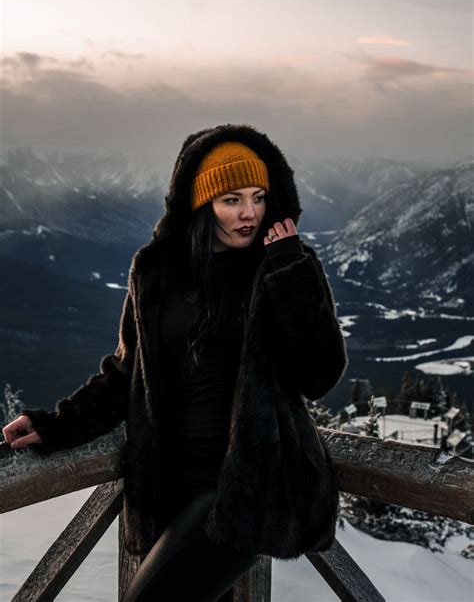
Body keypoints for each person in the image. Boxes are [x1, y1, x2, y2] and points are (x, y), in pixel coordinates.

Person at [3, 124, 348, 601]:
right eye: (231, 200)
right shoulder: (156, 272)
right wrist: (58, 425)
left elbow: (319, 374)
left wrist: (291, 272)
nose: (249, 213)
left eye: (258, 196)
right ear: (201, 204)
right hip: (170, 488)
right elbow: (127, 372)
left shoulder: (283, 266)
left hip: (249, 490)